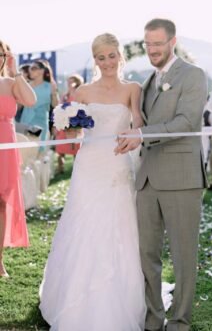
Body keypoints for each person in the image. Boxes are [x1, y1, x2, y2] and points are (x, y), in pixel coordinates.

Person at [39, 33, 146, 330]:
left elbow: (137, 120)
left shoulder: (133, 88)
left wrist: (134, 134)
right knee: (84, 222)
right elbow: (75, 133)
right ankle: (74, 297)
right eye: (101, 57)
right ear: (95, 60)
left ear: (120, 56)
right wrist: (68, 124)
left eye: (112, 55)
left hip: (116, 162)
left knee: (119, 223)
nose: (107, 62)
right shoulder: (83, 91)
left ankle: (119, 295)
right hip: (88, 164)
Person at [115, 18, 208, 331]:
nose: (152, 50)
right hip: (147, 180)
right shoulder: (146, 81)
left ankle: (179, 321)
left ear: (172, 41)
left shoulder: (194, 75)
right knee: (147, 256)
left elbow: (186, 122)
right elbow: (140, 122)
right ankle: (153, 319)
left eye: (158, 43)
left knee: (183, 257)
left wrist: (141, 134)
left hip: (182, 179)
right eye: (148, 44)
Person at [0, 40, 36, 277]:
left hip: (6, 150)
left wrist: (15, 71)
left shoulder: (10, 83)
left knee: (2, 203)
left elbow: (31, 101)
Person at [20, 59, 59, 151]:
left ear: (42, 70)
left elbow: (55, 105)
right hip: (25, 122)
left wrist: (54, 93)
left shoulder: (50, 86)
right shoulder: (26, 85)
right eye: (30, 68)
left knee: (37, 151)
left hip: (40, 123)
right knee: (25, 150)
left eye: (34, 68)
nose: (30, 70)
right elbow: (20, 104)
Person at [55, 74, 84, 174]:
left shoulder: (80, 95)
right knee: (61, 146)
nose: (70, 83)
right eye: (68, 81)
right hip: (65, 124)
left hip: (76, 124)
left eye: (72, 81)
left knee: (75, 147)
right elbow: (60, 108)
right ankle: (60, 168)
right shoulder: (65, 95)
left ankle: (76, 168)